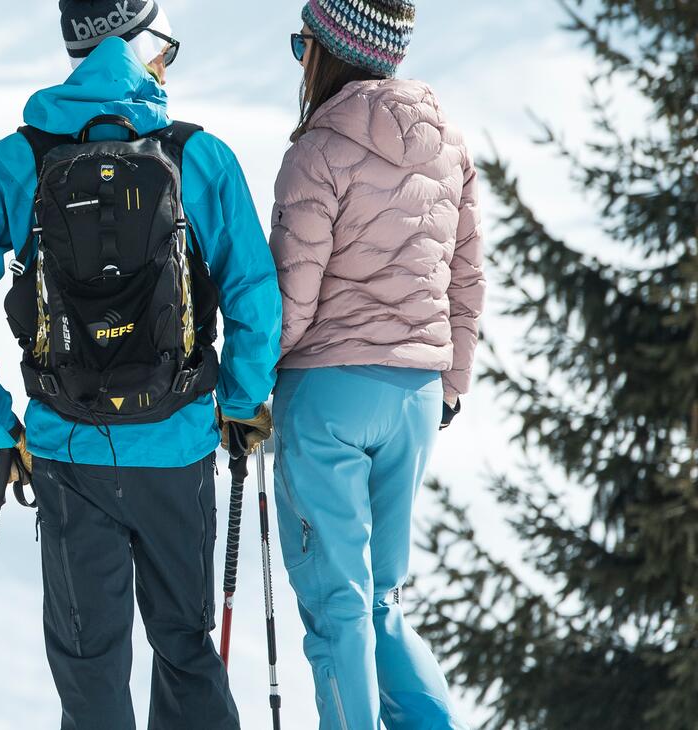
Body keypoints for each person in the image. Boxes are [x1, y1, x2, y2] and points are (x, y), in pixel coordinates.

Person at [0, 1, 282, 727]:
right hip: (176, 445)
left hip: (66, 450)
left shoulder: (16, 161)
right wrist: (241, 403)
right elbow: (255, 295)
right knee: (184, 645)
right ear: (145, 44)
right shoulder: (197, 156)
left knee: (90, 668)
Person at [268, 1, 482, 728]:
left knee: (339, 610)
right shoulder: (449, 143)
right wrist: (449, 383)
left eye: (303, 44)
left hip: (328, 395)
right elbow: (466, 277)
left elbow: (290, 301)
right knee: (383, 600)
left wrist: (246, 385)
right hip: (417, 399)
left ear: (328, 51)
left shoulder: (317, 152)